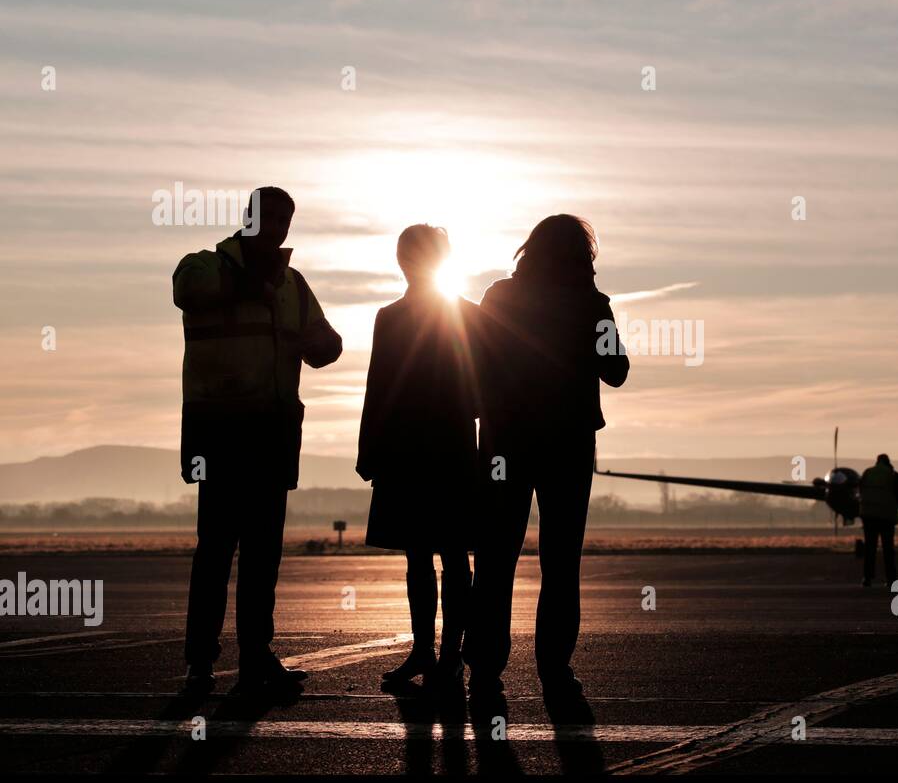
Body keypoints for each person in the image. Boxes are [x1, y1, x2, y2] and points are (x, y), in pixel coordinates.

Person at [173, 186, 342, 695]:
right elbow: (187, 290)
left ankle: (254, 660)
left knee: (262, 554)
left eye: (284, 221)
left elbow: (328, 345)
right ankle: (201, 663)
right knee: (217, 552)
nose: (277, 229)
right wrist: (253, 285)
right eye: (268, 219)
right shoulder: (205, 266)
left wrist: (317, 344)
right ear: (246, 219)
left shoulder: (292, 283)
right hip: (221, 432)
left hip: (271, 433)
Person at [465, 214, 629, 720]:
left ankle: (486, 668)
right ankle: (554, 667)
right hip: (567, 442)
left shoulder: (499, 296)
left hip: (504, 440)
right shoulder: (590, 303)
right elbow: (617, 371)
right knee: (561, 561)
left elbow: (474, 359)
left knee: (495, 557)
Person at [356, 225, 479, 689]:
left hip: (425, 450)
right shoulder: (456, 314)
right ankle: (436, 654)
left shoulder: (405, 317)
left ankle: (441, 654)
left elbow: (378, 389)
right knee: (435, 557)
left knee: (431, 557)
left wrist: (370, 449)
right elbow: (379, 386)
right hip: (438, 450)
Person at [859, 453, 898, 587]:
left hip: (868, 516)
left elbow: (859, 490)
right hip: (886, 517)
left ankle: (867, 578)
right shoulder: (893, 475)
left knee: (870, 548)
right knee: (888, 549)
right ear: (888, 462)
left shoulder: (867, 473)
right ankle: (891, 579)